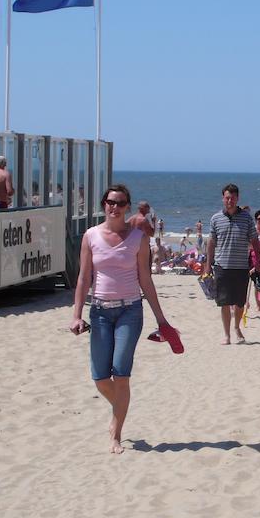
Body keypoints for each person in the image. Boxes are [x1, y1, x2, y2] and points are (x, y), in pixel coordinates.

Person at [69, 184, 174, 454]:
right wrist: (76, 314)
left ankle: (115, 433)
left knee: (121, 373)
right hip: (100, 312)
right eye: (109, 202)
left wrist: (161, 320)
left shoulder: (139, 239)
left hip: (130, 311)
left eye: (119, 202)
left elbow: (145, 279)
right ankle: (121, 407)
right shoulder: (90, 236)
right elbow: (84, 278)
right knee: (100, 378)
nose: (113, 207)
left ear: (128, 206)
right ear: (104, 204)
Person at [202, 184, 260, 345]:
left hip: (241, 266)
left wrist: (258, 262)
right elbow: (211, 242)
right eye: (227, 197)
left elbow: (255, 241)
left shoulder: (247, 218)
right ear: (223, 198)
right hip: (221, 266)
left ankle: (237, 327)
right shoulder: (215, 218)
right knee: (224, 302)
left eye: (233, 198)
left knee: (240, 302)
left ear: (237, 198)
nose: (230, 200)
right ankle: (227, 334)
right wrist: (208, 264)